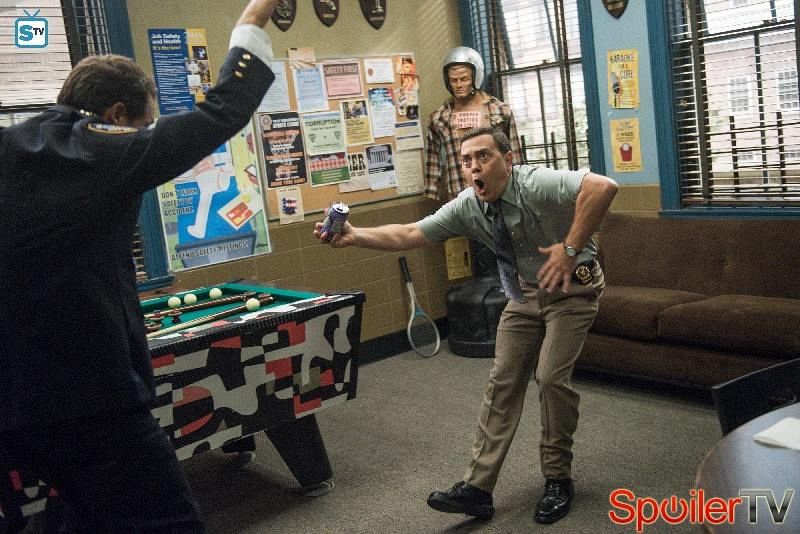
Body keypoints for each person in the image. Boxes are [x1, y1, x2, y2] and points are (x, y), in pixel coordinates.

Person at [0, 0, 281, 531]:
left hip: (12, 402)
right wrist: (252, 21)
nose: (144, 136)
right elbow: (220, 113)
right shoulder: (97, 150)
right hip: (87, 399)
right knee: (169, 521)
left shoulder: (12, 144)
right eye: (143, 125)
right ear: (116, 116)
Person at [315, 127, 618, 525]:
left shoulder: (535, 182)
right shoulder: (467, 206)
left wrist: (569, 248)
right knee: (502, 382)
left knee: (550, 378)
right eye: (467, 161)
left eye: (483, 157)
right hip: (525, 294)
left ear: (507, 160)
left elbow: (603, 186)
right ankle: (477, 488)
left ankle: (558, 479)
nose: (474, 167)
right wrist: (356, 236)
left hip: (572, 290)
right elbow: (410, 232)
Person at [424, 46, 523, 202]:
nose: (459, 85)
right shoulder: (439, 118)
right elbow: (432, 159)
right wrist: (432, 190)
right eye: (454, 80)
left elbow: (514, 155)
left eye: (464, 79)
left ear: (475, 77)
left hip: (498, 193)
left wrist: (518, 186)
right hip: (459, 196)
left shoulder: (500, 112)